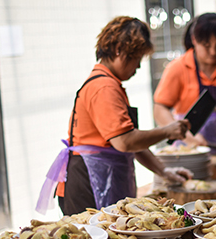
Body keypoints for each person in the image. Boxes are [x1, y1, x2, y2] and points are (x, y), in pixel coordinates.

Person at [36, 16, 192, 216]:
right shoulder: (104, 87)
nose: (138, 67)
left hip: (99, 179)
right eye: (136, 58)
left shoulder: (111, 85)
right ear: (119, 50)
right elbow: (125, 142)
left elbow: (132, 141)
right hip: (88, 182)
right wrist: (167, 131)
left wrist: (163, 171)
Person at [153, 13, 216, 152]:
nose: (213, 52)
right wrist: (187, 136)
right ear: (194, 40)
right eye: (206, 46)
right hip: (188, 148)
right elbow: (160, 109)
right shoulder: (177, 68)